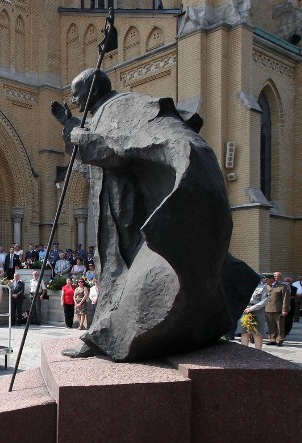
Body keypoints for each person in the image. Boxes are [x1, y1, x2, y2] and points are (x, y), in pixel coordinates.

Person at [51, 67, 258, 360]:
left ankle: (105, 336)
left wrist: (91, 142)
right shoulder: (98, 115)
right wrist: (73, 132)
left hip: (130, 210)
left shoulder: (123, 106)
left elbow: (136, 144)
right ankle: (101, 336)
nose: (73, 101)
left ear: (93, 90)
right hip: (107, 209)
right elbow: (93, 164)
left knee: (121, 272)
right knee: (110, 272)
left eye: (77, 95)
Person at [238, 277, 268, 350]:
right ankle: (244, 350)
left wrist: (251, 308)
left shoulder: (262, 287)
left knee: (257, 331)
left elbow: (264, 301)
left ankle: (258, 351)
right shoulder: (245, 286)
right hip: (245, 310)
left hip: (257, 310)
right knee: (244, 331)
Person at [265, 273, 289, 346]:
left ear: (272, 279)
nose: (265, 281)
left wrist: (285, 310)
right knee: (271, 325)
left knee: (280, 326)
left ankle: (279, 340)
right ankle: (272, 339)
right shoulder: (265, 286)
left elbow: (285, 299)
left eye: (267, 279)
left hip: (278, 309)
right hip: (268, 308)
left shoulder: (282, 286)